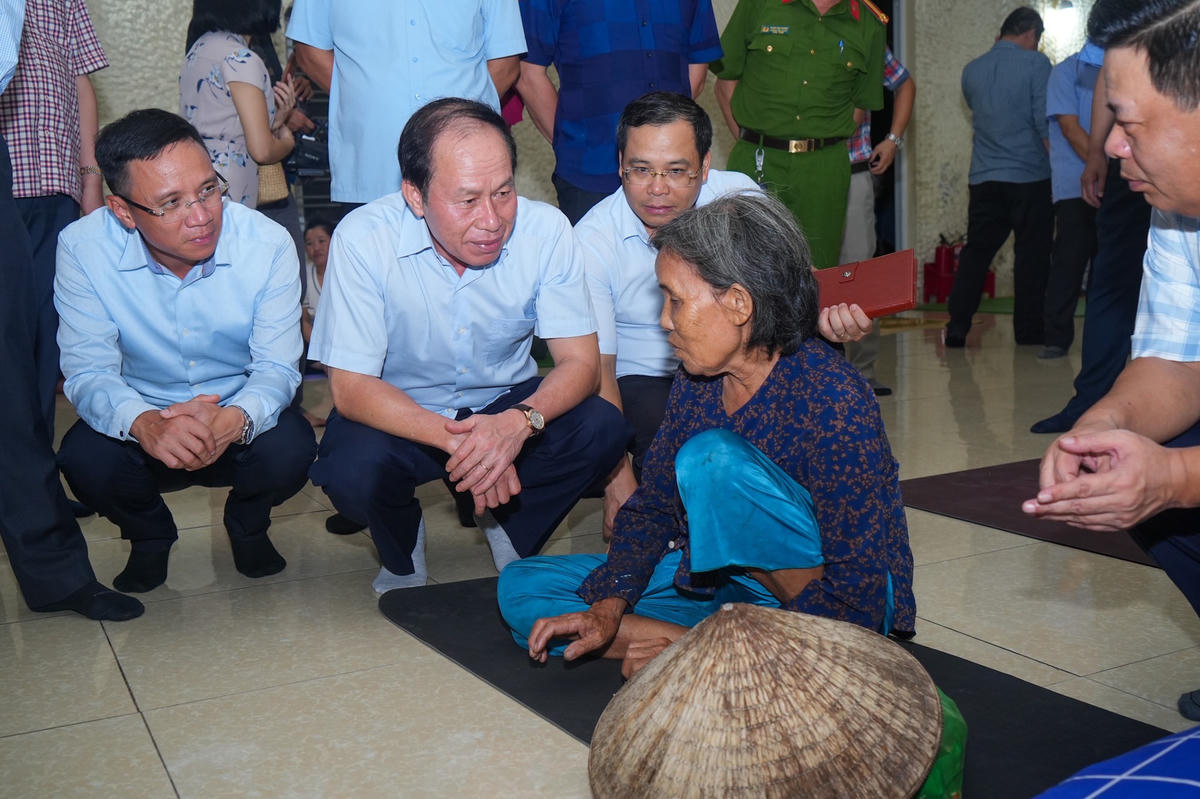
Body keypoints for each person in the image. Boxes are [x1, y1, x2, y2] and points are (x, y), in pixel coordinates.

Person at [499, 192, 916, 677]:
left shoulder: (833, 398)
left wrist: (843, 632)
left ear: (738, 303)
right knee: (523, 591)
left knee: (712, 459)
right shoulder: (698, 380)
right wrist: (609, 606)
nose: (663, 320)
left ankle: (742, 652)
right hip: (721, 582)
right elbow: (655, 505)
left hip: (834, 604)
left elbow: (858, 579)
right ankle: (718, 648)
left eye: (675, 301)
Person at [307, 98, 628, 593]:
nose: (492, 219)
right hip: (404, 413)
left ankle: (508, 526)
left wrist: (517, 424)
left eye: (503, 192)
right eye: (467, 200)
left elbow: (581, 364)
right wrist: (470, 443)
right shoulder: (363, 239)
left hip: (505, 404)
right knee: (351, 467)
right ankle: (400, 546)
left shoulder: (546, 232)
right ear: (415, 197)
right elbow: (350, 388)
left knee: (602, 426)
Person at [578, 91, 870, 539]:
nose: (658, 188)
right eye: (641, 170)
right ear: (620, 164)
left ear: (705, 165)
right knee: (668, 432)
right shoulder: (592, 242)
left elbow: (796, 284)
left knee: (822, 359)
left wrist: (834, 316)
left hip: (739, 351)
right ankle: (689, 544)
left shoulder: (736, 194)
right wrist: (618, 481)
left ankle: (814, 515)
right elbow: (600, 369)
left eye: (677, 171)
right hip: (649, 375)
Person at [1022, 0, 1200, 723]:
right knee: (1145, 459)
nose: (1112, 147)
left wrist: (1178, 477)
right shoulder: (1179, 208)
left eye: (1127, 122)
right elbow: (1176, 361)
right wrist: (1101, 427)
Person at [54, 109, 317, 594]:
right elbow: (88, 371)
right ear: (123, 211)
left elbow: (278, 368)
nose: (200, 217)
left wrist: (234, 418)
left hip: (236, 417)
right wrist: (146, 422)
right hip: (145, 421)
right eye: (170, 203)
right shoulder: (82, 248)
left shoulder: (267, 242)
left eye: (208, 189)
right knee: (84, 457)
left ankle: (248, 523)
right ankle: (149, 535)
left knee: (293, 446)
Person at [0, 1, 142, 622]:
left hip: (42, 185)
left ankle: (51, 564)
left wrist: (90, 177)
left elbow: (78, 80)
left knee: (23, 370)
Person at [0, 0, 107, 508]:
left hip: (56, 185)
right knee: (8, 343)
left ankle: (34, 489)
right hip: (7, 182)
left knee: (46, 342)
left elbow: (82, 81)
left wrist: (90, 178)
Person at [287, 0, 526, 204]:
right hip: (373, 162)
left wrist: (462, 122)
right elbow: (309, 52)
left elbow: (505, 63)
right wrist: (364, 96)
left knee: (473, 256)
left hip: (468, 166)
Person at [711, 0, 887, 271]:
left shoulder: (870, 23)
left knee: (817, 273)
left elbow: (858, 108)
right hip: (755, 159)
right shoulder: (759, 5)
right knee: (743, 269)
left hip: (823, 170)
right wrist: (754, 140)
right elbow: (725, 83)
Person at [1028, 51, 1153, 434]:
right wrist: (1097, 152)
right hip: (1129, 175)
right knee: (1109, 279)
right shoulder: (1109, 37)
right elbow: (1106, 80)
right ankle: (1093, 401)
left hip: (1172, 153)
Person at [515, 0, 722, 223]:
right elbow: (528, 74)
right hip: (591, 173)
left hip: (674, 176)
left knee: (677, 257)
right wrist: (570, 141)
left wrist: (666, 140)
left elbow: (697, 66)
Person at [944, 7, 1052, 348]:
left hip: (985, 179)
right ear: (1032, 35)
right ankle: (1028, 332)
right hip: (1029, 177)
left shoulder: (972, 71)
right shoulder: (1037, 64)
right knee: (1031, 256)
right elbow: (1042, 123)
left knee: (976, 254)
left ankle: (958, 326)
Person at [839, 45, 916, 395]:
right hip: (796, 170)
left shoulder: (862, 30)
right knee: (796, 272)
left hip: (853, 169)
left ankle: (863, 371)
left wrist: (893, 139)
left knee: (858, 273)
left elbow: (903, 82)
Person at [180, 0, 296, 209]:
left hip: (197, 173)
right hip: (230, 182)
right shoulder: (240, 58)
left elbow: (224, 121)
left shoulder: (199, 48)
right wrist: (288, 142)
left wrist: (276, 119)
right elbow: (261, 150)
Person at [1037, 43, 1102, 361]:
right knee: (1069, 261)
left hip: (1114, 184)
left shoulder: (1118, 68)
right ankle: (1057, 338)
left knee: (1110, 266)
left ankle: (1105, 336)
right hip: (1074, 186)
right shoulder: (1065, 72)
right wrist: (1100, 166)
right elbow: (1070, 128)